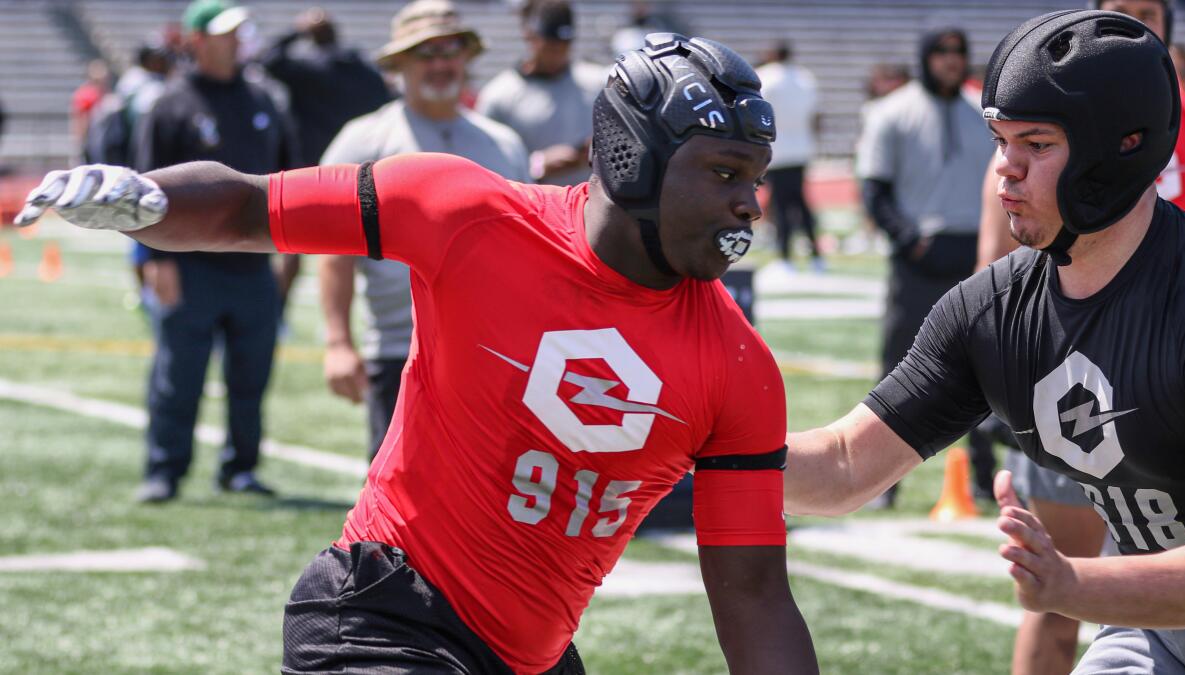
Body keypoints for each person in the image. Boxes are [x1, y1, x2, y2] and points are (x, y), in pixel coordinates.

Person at [17, 34, 817, 675]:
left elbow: (753, 598)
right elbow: (250, 207)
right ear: (630, 158)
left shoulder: (742, 369)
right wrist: (147, 200)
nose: (750, 202)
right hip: (381, 615)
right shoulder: (468, 213)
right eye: (724, 171)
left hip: (529, 658)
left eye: (755, 177)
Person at [785, 10, 1185, 673]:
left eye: (1036, 144)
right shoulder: (994, 311)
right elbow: (842, 465)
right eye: (1000, 140)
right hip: (1160, 627)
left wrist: (1073, 584)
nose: (1005, 170)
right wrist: (692, 448)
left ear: (1120, 147)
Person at [972, 3, 1185, 673]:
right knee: (1052, 599)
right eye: (1117, 8)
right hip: (1070, 384)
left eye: (1146, 10)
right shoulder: (1038, 142)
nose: (1130, 22)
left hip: (1174, 376)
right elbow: (995, 274)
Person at [319, 0, 529, 461]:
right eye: (425, 53)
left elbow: (528, 254)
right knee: (396, 498)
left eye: (450, 50)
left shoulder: (503, 143)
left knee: (484, 495)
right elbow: (333, 252)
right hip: (399, 350)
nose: (440, 64)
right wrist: (338, 342)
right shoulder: (364, 140)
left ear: (466, 57)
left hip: (491, 353)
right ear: (400, 64)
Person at [130, 0, 299, 502]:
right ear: (197, 40)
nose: (236, 40)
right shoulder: (171, 104)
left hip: (253, 265)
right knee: (178, 373)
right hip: (191, 264)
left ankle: (240, 468)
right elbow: (142, 193)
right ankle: (164, 470)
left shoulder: (266, 100)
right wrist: (155, 262)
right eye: (225, 32)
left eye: (239, 31)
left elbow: (290, 181)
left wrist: (290, 257)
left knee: (252, 374)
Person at [855, 25, 996, 507]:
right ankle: (881, 484)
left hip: (975, 259)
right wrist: (909, 239)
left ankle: (984, 479)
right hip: (918, 261)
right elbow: (874, 189)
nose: (951, 60)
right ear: (925, 56)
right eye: (941, 52)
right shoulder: (892, 113)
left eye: (958, 52)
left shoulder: (983, 114)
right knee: (899, 370)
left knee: (985, 370)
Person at [475, 0, 608, 186]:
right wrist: (537, 165)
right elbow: (484, 167)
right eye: (550, 46)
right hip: (530, 209)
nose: (558, 53)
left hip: (589, 208)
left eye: (564, 45)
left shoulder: (598, 84)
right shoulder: (498, 96)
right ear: (530, 36)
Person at [260, 7, 392, 167]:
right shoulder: (365, 71)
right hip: (356, 162)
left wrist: (297, 31)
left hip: (311, 165)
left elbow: (268, 60)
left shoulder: (309, 71)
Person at [757, 39, 823, 273]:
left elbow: (756, 113)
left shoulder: (765, 77)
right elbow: (816, 117)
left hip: (777, 149)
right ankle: (816, 255)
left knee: (781, 204)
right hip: (801, 149)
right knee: (801, 204)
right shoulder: (805, 78)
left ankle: (785, 257)